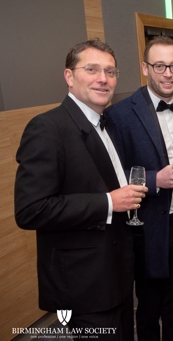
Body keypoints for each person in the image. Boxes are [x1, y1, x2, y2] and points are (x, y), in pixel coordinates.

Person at [14, 39, 147, 340]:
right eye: (92, 69)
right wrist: (108, 202)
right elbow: (30, 210)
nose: (103, 78)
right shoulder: (47, 128)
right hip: (83, 283)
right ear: (69, 77)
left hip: (116, 273)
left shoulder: (106, 122)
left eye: (110, 72)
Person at [105, 36, 173, 341]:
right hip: (149, 225)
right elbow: (112, 175)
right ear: (145, 68)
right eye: (160, 66)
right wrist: (155, 180)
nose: (168, 73)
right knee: (150, 307)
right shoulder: (121, 114)